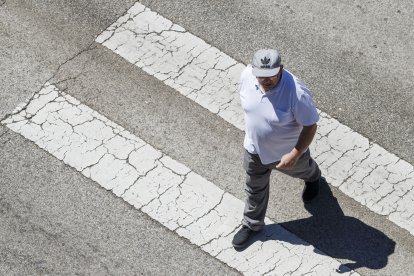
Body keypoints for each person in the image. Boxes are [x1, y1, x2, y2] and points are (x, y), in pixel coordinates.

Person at [232, 49, 322, 248]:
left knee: (305, 169)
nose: (266, 80)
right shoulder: (247, 76)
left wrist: (295, 153)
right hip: (254, 150)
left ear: (280, 69)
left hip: (286, 154)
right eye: (261, 76)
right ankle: (252, 225)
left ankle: (314, 177)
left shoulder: (297, 93)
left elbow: (310, 125)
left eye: (271, 75)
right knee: (254, 188)